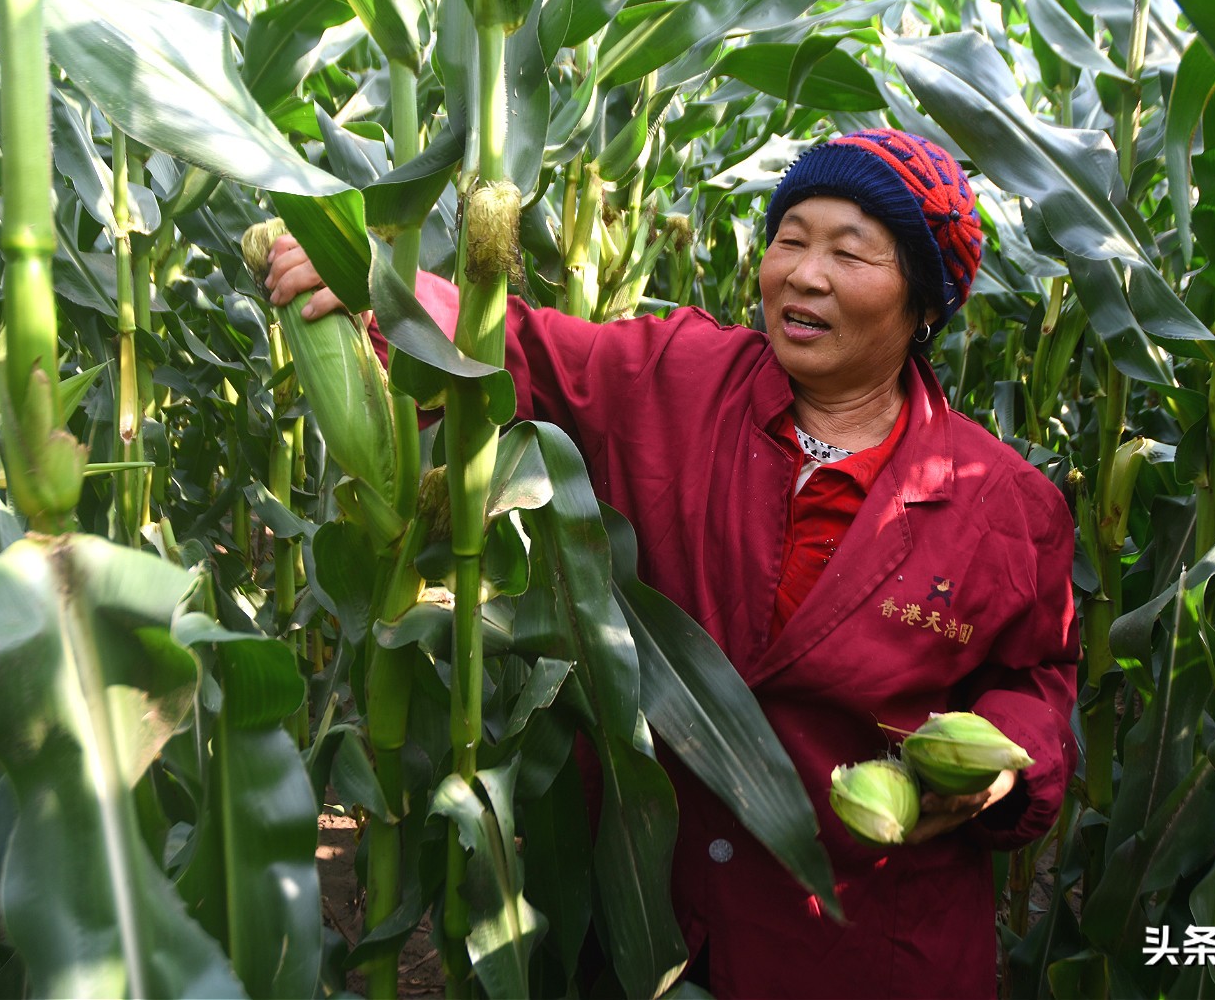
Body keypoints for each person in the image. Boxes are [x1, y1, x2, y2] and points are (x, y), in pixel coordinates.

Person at [266, 128, 1079, 999]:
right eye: (790, 239)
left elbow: (1038, 685)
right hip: (645, 915)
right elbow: (518, 350)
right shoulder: (675, 379)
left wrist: (1004, 765)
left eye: (850, 253)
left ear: (923, 305)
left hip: (855, 946)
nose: (803, 273)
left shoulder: (1003, 504)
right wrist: (372, 286)